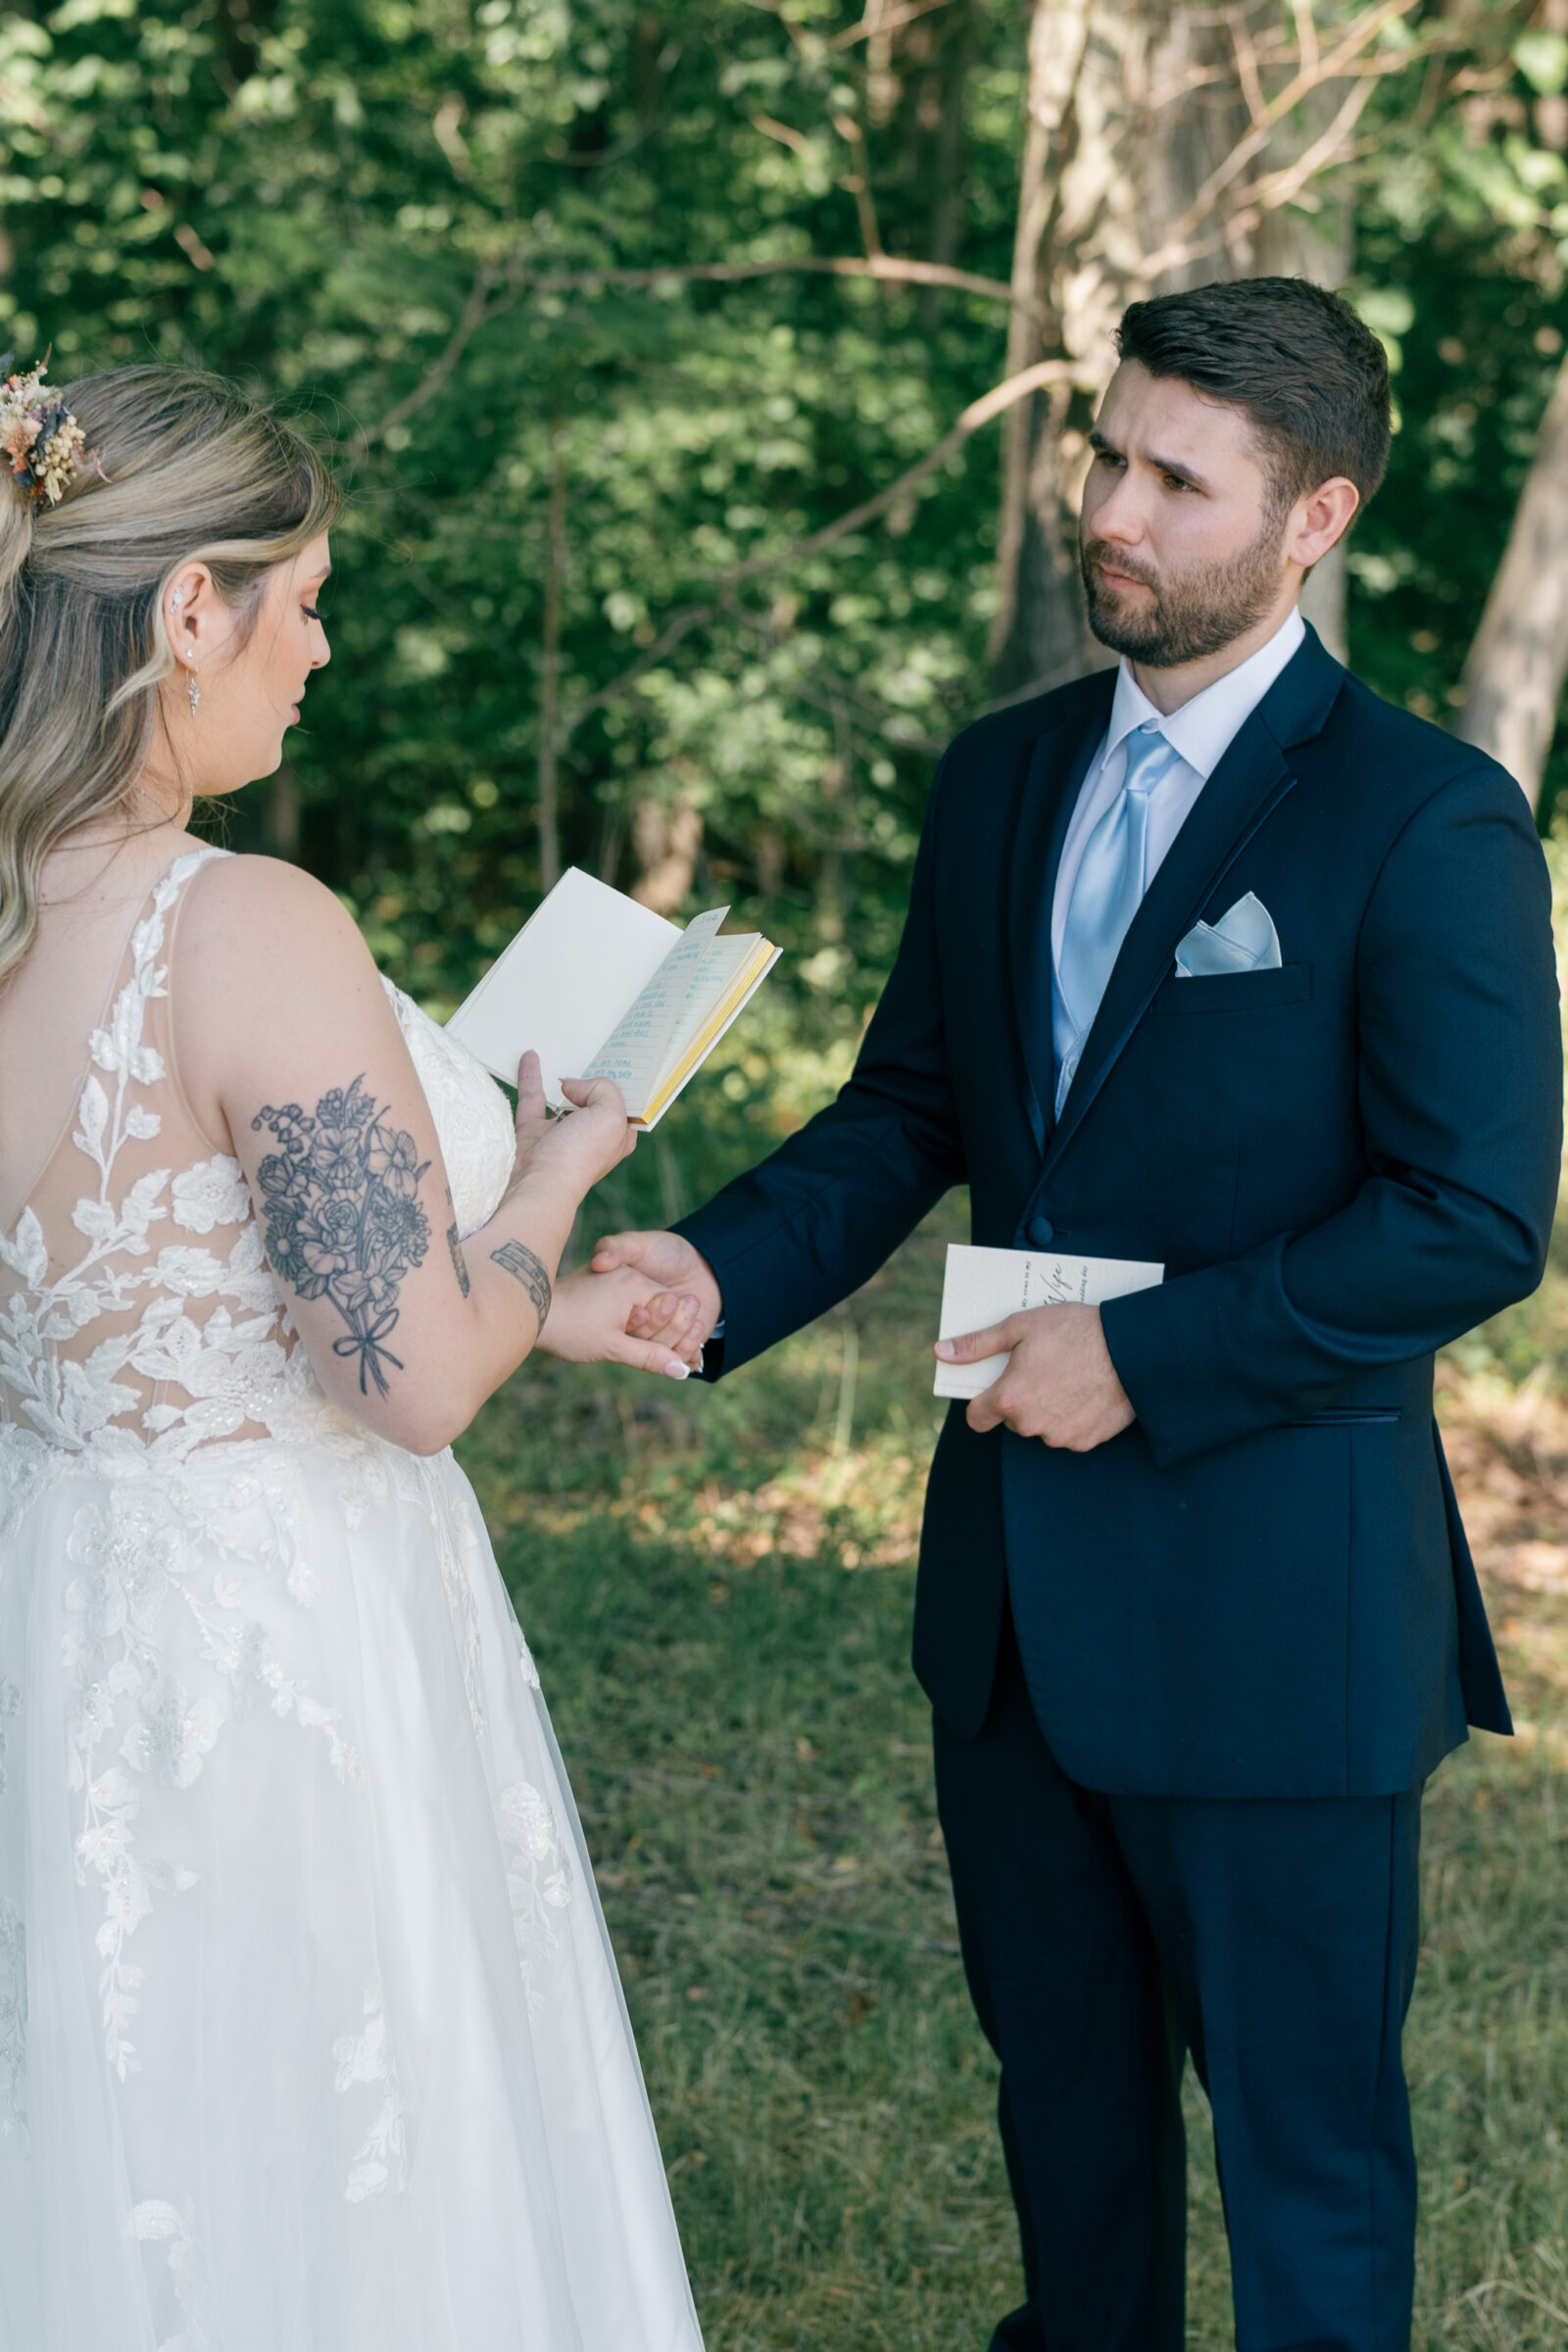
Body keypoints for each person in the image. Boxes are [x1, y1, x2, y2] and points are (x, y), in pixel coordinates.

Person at [544, 278, 1565, 2349]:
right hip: (1012, 1609)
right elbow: (912, 1104)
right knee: (1066, 2138)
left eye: (1174, 480)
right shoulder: (999, 777)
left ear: (1314, 520)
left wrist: (1148, 1353)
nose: (1106, 506)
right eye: (1106, 453)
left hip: (1280, 1609)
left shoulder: (1422, 814)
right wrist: (718, 1267)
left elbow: (1468, 1219)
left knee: (1306, 2168)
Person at [0, 361, 707, 2350]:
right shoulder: (243, 923)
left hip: (51, 1602)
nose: (322, 646)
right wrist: (558, 1173)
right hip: (279, 1651)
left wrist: (528, 1300)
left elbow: (164, 1291)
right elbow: (399, 1379)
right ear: (186, 610)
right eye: (298, 597)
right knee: (323, 2145)